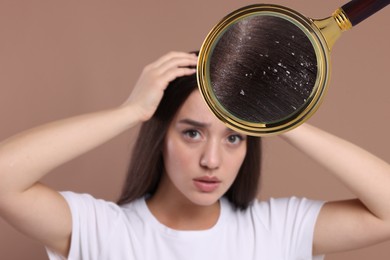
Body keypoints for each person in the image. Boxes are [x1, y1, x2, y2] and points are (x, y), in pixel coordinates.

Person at [0, 51, 389, 260]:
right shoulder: (104, 230)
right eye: (192, 133)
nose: (212, 160)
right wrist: (130, 112)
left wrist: (284, 121)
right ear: (160, 135)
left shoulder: (278, 230)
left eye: (234, 138)